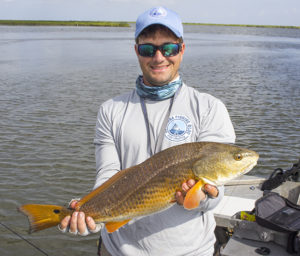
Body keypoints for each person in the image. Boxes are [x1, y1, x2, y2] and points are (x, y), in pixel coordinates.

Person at [59, 6, 236, 256]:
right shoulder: (110, 110)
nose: (159, 57)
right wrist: (87, 215)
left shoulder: (209, 108)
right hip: (117, 250)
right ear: (136, 51)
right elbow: (108, 176)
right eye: (147, 49)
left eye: (169, 48)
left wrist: (205, 197)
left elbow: (217, 196)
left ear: (182, 50)